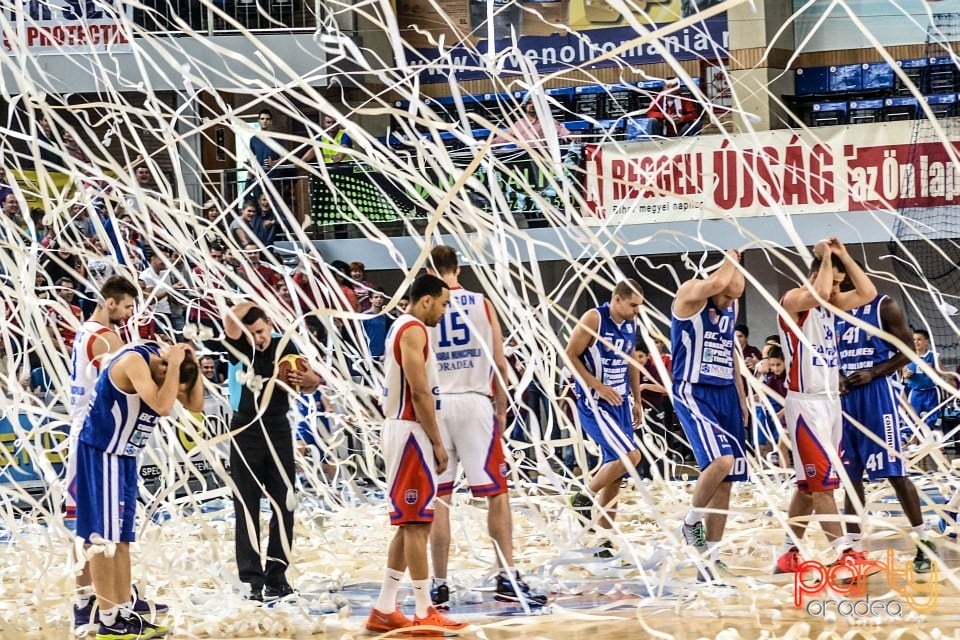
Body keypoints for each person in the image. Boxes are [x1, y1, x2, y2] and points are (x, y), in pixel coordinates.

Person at [425, 245, 546, 610]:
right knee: (497, 493)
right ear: (458, 268)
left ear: (429, 269)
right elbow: (498, 360)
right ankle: (506, 576)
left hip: (438, 404)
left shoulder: (422, 308)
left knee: (440, 499)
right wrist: (502, 407)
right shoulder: (481, 303)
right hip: (476, 403)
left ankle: (439, 585)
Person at [73, 341, 202, 640]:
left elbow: (194, 406)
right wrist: (173, 366)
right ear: (162, 368)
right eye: (172, 383)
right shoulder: (134, 361)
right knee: (103, 540)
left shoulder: (165, 369)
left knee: (122, 541)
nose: (175, 392)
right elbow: (163, 406)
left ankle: (123, 612)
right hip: (102, 453)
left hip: (125, 458)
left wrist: (191, 360)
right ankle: (108, 621)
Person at [365, 274, 466, 634]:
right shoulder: (412, 329)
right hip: (410, 431)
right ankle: (424, 611)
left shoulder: (400, 327)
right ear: (426, 300)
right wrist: (439, 442)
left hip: (406, 430)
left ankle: (384, 608)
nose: (444, 310)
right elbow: (420, 392)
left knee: (410, 524)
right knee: (416, 523)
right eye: (442, 304)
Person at [774, 237, 877, 575]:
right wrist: (824, 258)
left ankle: (789, 554)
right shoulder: (792, 301)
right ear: (817, 275)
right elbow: (817, 292)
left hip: (831, 403)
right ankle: (843, 552)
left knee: (807, 488)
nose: (836, 290)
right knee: (823, 487)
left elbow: (867, 294)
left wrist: (844, 255)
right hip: (806, 405)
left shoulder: (829, 306)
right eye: (833, 281)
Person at [223, 302, 322, 601]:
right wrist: (253, 306)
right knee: (247, 505)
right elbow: (230, 317)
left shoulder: (284, 343)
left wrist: (309, 381)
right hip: (245, 429)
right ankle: (251, 580)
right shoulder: (240, 346)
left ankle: (277, 576)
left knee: (284, 503)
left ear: (270, 325)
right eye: (252, 333)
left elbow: (313, 380)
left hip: (278, 427)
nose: (259, 338)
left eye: (262, 331)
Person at [837, 291, 936, 574]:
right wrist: (837, 376)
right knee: (851, 477)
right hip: (844, 400)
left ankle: (923, 539)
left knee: (895, 473)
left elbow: (907, 350)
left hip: (877, 397)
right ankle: (854, 550)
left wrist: (876, 371)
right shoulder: (829, 312)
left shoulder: (883, 305)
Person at [65, 276, 145, 628]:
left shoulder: (85, 330)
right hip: (96, 437)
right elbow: (117, 387)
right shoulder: (107, 338)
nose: (130, 314)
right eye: (127, 306)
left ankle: (89, 600)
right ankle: (108, 605)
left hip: (79, 432)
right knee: (100, 529)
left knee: (84, 524)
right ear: (109, 302)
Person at [672, 250, 747, 582]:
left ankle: (711, 560)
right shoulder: (690, 294)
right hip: (694, 390)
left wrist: (742, 398)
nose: (731, 301)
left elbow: (732, 353)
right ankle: (690, 523)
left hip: (726, 392)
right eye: (727, 296)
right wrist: (732, 253)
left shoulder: (728, 303)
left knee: (726, 482)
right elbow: (719, 280)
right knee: (721, 461)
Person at [567, 280, 644, 557]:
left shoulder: (630, 325)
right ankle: (582, 496)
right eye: (634, 305)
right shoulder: (594, 317)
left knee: (617, 472)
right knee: (631, 456)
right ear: (618, 299)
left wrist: (636, 399)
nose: (637, 311)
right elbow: (570, 355)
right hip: (595, 402)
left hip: (620, 402)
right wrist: (596, 385)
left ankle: (603, 538)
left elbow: (631, 361)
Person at [904, 328, 942, 437]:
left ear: (926, 341)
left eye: (919, 339)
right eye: (914, 339)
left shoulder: (933, 356)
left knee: (935, 421)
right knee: (913, 419)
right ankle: (914, 445)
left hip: (931, 392)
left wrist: (931, 370)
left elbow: (941, 374)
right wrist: (906, 375)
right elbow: (904, 375)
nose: (916, 342)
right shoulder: (908, 356)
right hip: (915, 392)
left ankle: (939, 448)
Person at [494, 99, 570, 146]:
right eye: (529, 103)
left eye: (535, 103)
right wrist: (489, 145)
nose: (532, 105)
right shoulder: (519, 124)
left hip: (544, 156)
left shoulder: (548, 121)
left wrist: (569, 136)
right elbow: (504, 136)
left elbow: (561, 130)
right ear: (525, 106)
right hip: (525, 158)